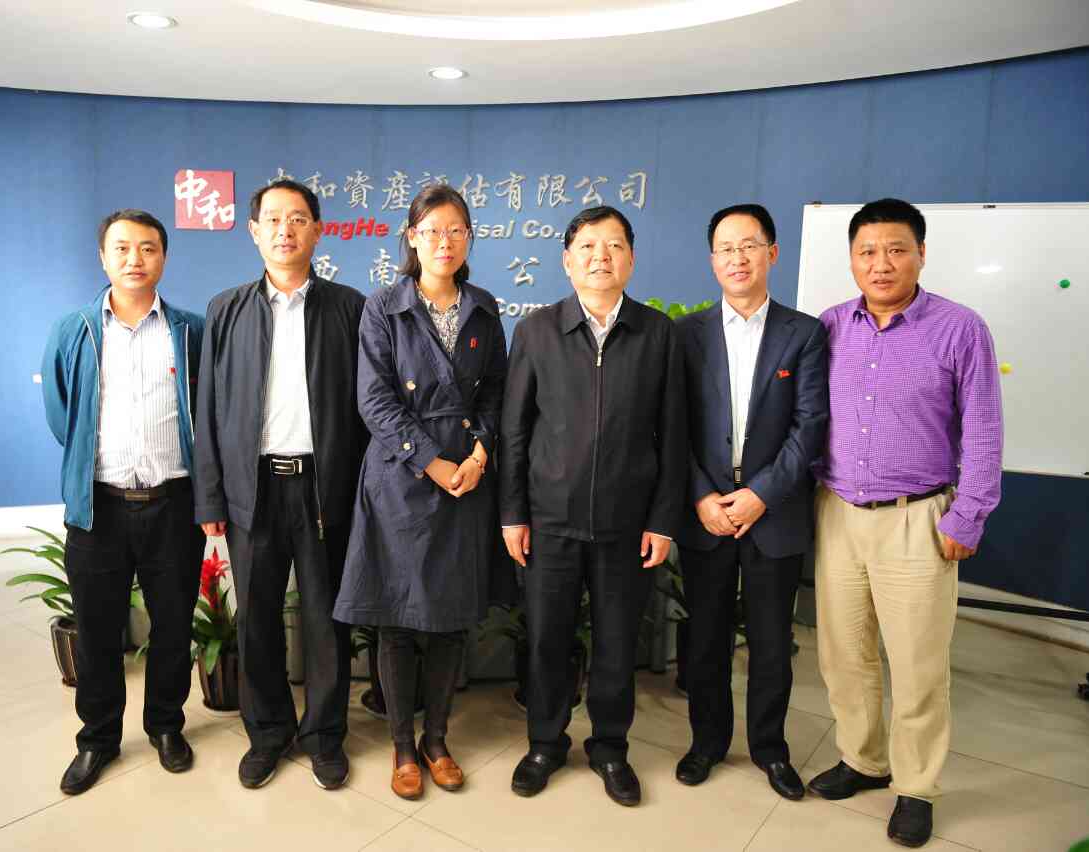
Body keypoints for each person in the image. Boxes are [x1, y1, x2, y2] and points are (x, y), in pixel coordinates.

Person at [807, 198, 1003, 848]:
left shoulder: (960, 329)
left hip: (918, 519)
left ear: (920, 253)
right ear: (852, 259)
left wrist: (969, 515)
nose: (881, 263)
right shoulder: (831, 326)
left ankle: (916, 786)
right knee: (844, 654)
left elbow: (983, 428)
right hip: (838, 512)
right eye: (867, 251)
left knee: (918, 665)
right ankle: (863, 760)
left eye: (896, 249)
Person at [500, 205, 687, 806]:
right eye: (587, 246)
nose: (600, 256)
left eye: (613, 245)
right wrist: (513, 514)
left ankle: (610, 747)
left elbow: (674, 434)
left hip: (626, 525)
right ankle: (545, 744)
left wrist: (663, 519)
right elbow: (514, 432)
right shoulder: (536, 331)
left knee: (616, 643)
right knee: (546, 640)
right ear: (567, 260)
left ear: (631, 258)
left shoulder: (658, 334)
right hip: (549, 522)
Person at [333, 185, 508, 800]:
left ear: (469, 238)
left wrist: (480, 454)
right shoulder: (384, 306)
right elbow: (373, 399)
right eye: (432, 230)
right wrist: (432, 462)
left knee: (451, 621)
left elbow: (496, 392)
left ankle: (438, 740)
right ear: (412, 237)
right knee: (399, 622)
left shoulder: (484, 306)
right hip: (401, 480)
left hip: (468, 478)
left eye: (456, 230)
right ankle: (403, 747)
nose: (444, 241)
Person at [193, 179, 367, 790]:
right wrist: (211, 495)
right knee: (257, 620)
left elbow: (367, 408)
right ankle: (267, 733)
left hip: (324, 489)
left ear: (317, 230)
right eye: (272, 219)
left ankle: (325, 735)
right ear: (254, 231)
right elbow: (209, 409)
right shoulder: (226, 309)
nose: (285, 230)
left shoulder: (349, 308)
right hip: (254, 490)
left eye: (297, 218)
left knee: (326, 620)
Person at [41, 209, 205, 795]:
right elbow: (62, 413)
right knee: (97, 630)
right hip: (100, 508)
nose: (135, 259)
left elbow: (207, 412)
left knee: (173, 626)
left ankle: (166, 725)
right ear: (103, 257)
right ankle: (98, 738)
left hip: (173, 505)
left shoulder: (190, 331)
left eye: (148, 248)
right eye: (122, 248)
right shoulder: (75, 330)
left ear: (164, 257)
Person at [674, 203, 829, 800]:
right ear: (712, 259)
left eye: (749, 245)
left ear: (772, 253)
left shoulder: (804, 334)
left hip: (774, 511)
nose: (737, 258)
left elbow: (810, 426)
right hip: (707, 513)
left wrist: (761, 494)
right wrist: (701, 496)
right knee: (706, 639)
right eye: (726, 248)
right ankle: (706, 743)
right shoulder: (685, 335)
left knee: (771, 644)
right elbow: (672, 428)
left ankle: (770, 748)